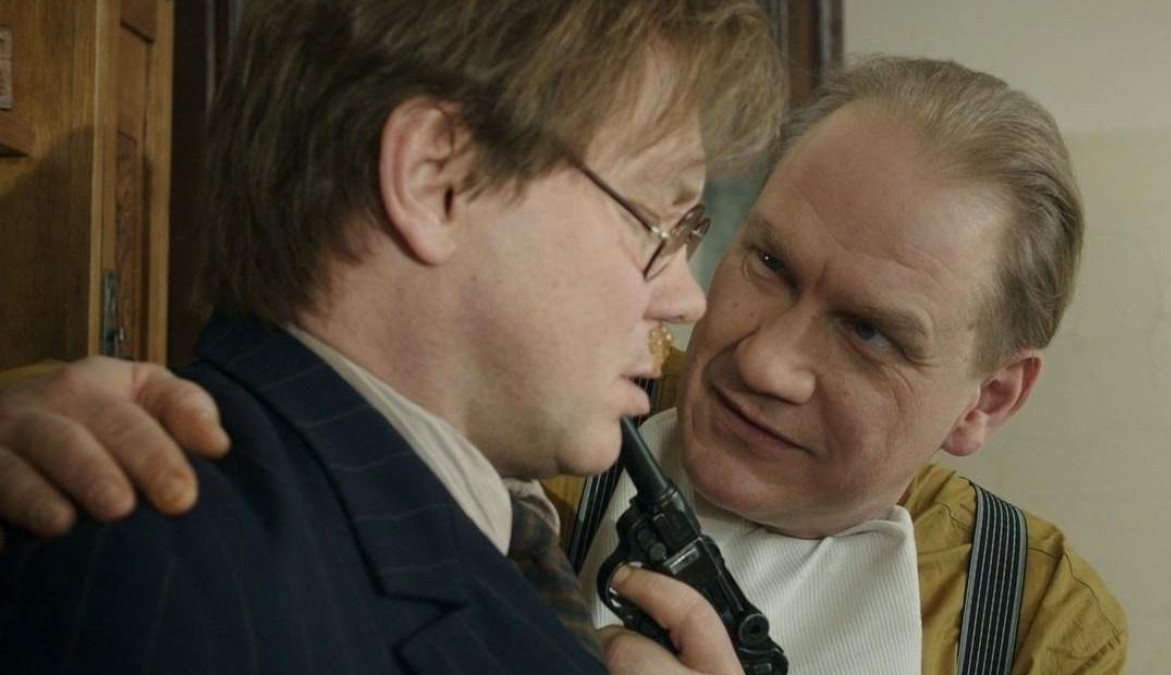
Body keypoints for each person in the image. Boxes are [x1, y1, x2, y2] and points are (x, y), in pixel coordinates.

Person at [0, 57, 1128, 674]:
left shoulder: (1040, 622)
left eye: (870, 334)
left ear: (989, 398)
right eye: (767, 262)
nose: (763, 358)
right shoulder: (542, 407)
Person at [0, 0, 786, 674]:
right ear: (433, 179)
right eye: (653, 221)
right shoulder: (166, 580)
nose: (685, 300)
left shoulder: (487, 534)